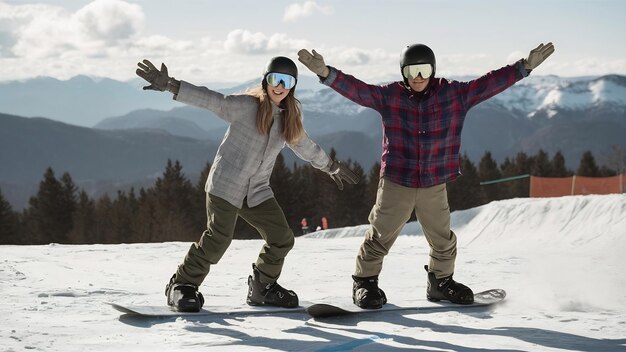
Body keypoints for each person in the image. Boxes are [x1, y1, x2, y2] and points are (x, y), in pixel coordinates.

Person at [298, 42, 555, 309]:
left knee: (442, 238)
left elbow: (488, 84)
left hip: (434, 182)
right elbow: (358, 90)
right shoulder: (389, 96)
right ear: (403, 73)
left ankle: (441, 283)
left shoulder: (454, 94)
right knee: (380, 236)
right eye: (412, 71)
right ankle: (365, 283)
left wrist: (523, 67)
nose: (418, 77)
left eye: (423, 70)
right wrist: (327, 73)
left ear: (432, 70)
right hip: (397, 181)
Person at [136, 56, 359, 312]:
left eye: (287, 81)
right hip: (226, 185)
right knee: (218, 239)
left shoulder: (289, 118)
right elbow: (212, 100)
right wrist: (171, 85)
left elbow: (305, 146)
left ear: (293, 86)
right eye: (275, 79)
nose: (280, 86)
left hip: (257, 190)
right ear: (266, 80)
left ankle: (262, 287)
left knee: (282, 238)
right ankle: (182, 285)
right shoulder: (246, 106)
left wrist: (330, 166)